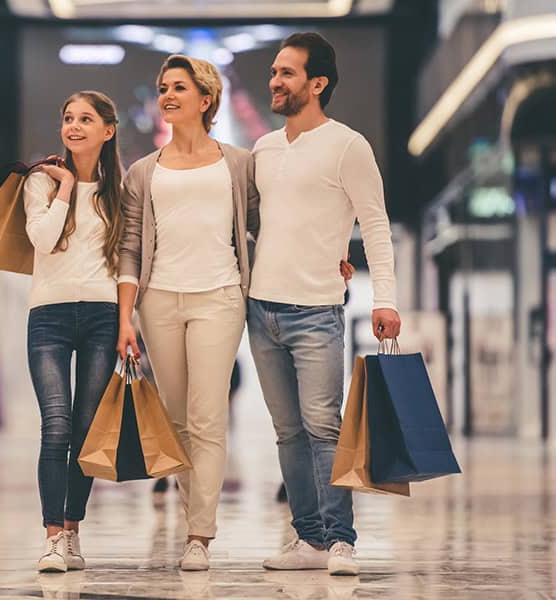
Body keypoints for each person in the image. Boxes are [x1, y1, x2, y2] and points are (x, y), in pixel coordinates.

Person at [246, 32, 400, 577]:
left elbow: (376, 225)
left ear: (318, 83)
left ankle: (341, 540)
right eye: (274, 72)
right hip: (259, 309)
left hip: (317, 311)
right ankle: (307, 538)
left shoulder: (348, 146)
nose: (275, 81)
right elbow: (257, 226)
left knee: (322, 427)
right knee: (287, 430)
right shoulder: (263, 149)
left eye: (286, 73)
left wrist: (385, 299)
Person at [115, 54, 261, 571]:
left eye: (178, 86)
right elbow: (130, 247)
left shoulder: (240, 163)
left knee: (207, 418)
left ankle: (199, 534)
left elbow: (265, 227)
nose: (167, 95)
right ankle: (188, 520)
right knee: (175, 422)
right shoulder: (143, 172)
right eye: (162, 88)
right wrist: (125, 316)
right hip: (158, 301)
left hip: (220, 296)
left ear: (207, 98)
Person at [23, 90, 123, 573]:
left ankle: (74, 530)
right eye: (67, 118)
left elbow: (128, 261)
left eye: (86, 119)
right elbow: (42, 238)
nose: (74, 126)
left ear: (108, 130)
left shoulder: (118, 192)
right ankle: (52, 537)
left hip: (103, 314)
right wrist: (64, 187)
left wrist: (130, 322)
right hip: (50, 314)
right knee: (56, 426)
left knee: (85, 432)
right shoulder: (40, 183)